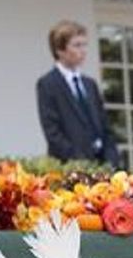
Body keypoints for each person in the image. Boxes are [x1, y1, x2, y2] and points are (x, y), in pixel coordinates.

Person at [36, 20, 120, 166]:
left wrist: (111, 159)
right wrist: (80, 162)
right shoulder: (48, 84)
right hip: (69, 166)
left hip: (101, 165)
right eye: (77, 45)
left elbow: (105, 126)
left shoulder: (90, 84)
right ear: (59, 50)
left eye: (84, 45)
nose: (83, 50)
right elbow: (53, 132)